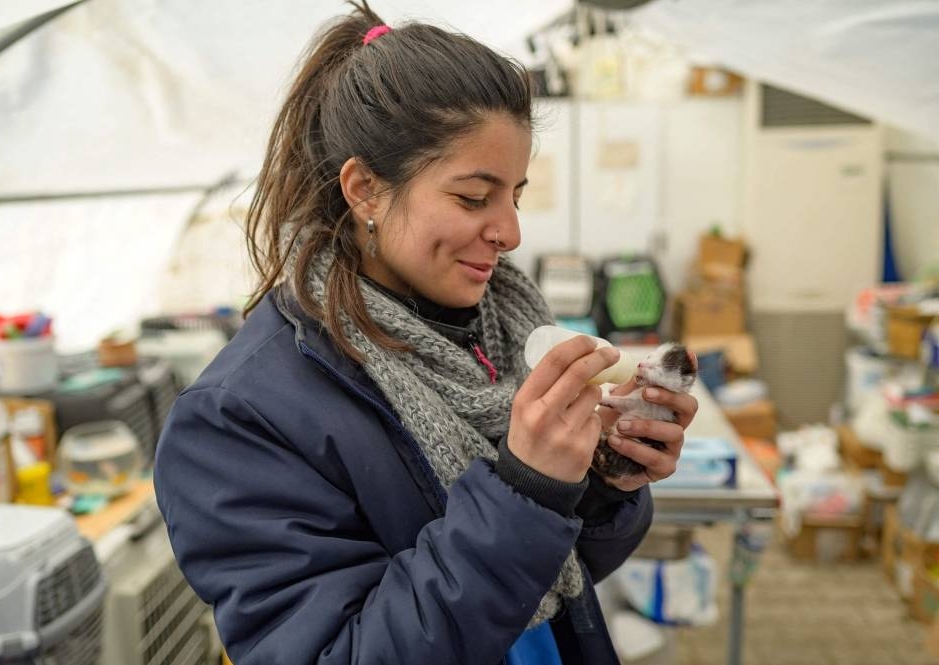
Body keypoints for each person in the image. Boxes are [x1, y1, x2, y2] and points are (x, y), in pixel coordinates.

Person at [154, 3, 698, 664]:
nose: (510, 232)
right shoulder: (240, 416)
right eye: (474, 197)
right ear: (365, 190)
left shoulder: (500, 330)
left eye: (516, 195)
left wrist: (606, 478)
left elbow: (563, 580)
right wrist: (526, 493)